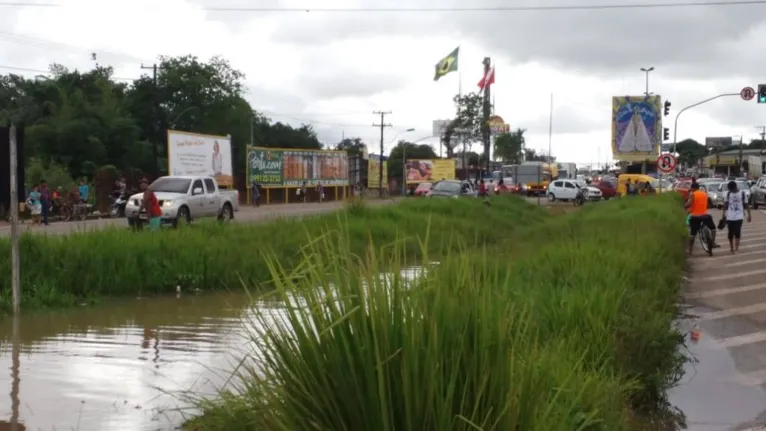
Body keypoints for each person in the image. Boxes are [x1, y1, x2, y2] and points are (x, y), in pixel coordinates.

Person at [685, 182, 719, 255]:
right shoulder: (704, 194)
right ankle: (712, 242)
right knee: (713, 229)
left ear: (693, 188)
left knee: (692, 234)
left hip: (695, 216)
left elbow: (689, 204)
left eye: (691, 188)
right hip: (705, 216)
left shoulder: (692, 194)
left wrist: (684, 206)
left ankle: (690, 250)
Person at [723, 180, 751, 254]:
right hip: (730, 216)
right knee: (730, 233)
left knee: (737, 231)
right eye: (730, 189)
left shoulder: (742, 193)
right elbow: (725, 205)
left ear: (735, 187)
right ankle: (731, 247)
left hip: (739, 216)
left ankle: (736, 248)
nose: (731, 190)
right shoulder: (728, 194)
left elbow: (746, 205)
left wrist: (749, 215)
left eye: (731, 189)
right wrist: (723, 215)